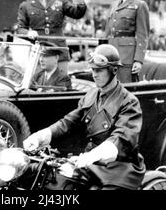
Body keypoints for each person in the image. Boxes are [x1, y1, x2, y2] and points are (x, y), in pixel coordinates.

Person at [23, 44, 146, 190]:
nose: (94, 74)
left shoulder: (128, 101)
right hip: (91, 163)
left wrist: (91, 157)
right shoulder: (91, 95)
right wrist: (41, 136)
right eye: (93, 70)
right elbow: (67, 122)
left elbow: (121, 139)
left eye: (99, 70)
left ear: (113, 70)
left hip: (119, 167)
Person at [16, 0, 87, 74]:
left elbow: (76, 14)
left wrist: (80, 3)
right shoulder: (26, 5)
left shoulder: (60, 1)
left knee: (62, 83)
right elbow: (20, 29)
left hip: (59, 50)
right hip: (39, 52)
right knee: (39, 84)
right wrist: (28, 33)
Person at [104, 0, 150, 83]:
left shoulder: (139, 5)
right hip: (111, 55)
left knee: (126, 89)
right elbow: (108, 32)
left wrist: (138, 60)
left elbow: (142, 35)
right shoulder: (114, 5)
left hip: (127, 57)